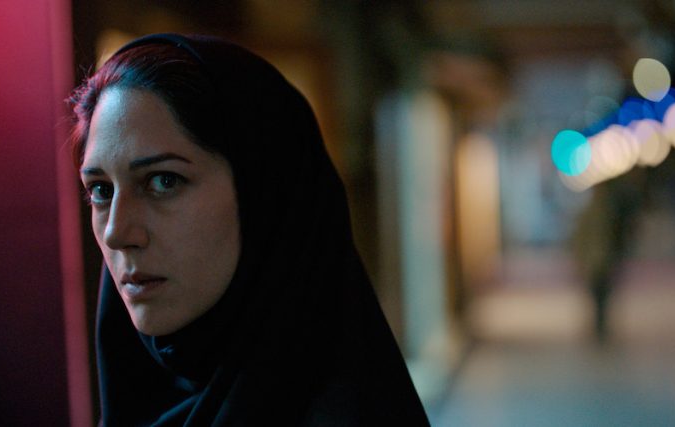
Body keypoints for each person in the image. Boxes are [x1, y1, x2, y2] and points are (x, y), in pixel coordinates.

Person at [68, 33, 429, 426]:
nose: (117, 233)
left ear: (265, 196)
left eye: (164, 181)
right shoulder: (139, 403)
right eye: (101, 190)